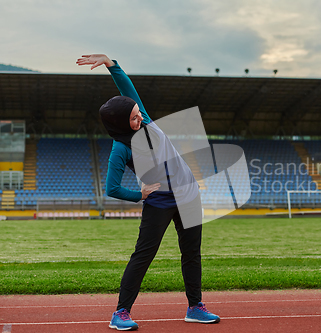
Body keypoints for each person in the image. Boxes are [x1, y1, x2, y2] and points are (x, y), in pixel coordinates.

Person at [76, 54, 220, 331]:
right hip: (160, 200)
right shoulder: (121, 148)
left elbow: (127, 90)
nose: (139, 116)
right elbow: (112, 188)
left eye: (138, 112)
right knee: (143, 255)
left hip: (188, 193)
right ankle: (121, 312)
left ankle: (195, 307)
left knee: (192, 253)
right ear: (119, 122)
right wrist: (139, 195)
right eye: (132, 117)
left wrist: (111, 65)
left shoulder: (147, 121)